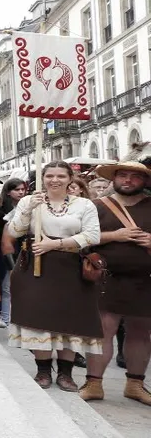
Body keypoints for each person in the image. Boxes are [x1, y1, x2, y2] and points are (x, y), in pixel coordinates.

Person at [3, 161, 103, 391]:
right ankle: (43, 370)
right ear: (42, 178)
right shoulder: (30, 201)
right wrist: (28, 209)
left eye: (60, 176)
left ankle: (66, 373)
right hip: (35, 265)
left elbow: (92, 236)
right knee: (40, 320)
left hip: (70, 266)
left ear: (70, 179)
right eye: (49, 176)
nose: (54, 180)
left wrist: (55, 243)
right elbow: (15, 231)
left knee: (69, 319)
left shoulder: (84, 205)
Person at [79, 161, 151, 406]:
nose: (128, 180)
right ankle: (93, 384)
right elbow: (80, 239)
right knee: (103, 332)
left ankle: (135, 384)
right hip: (106, 279)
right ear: (114, 179)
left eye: (135, 176)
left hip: (145, 280)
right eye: (123, 175)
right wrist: (114, 236)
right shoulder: (97, 206)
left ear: (144, 181)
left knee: (140, 333)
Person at [0, 178, 29, 328]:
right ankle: (6, 317)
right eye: (17, 189)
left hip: (26, 250)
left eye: (23, 189)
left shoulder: (30, 206)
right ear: (8, 192)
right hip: (8, 252)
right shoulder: (0, 210)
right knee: (7, 286)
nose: (21, 192)